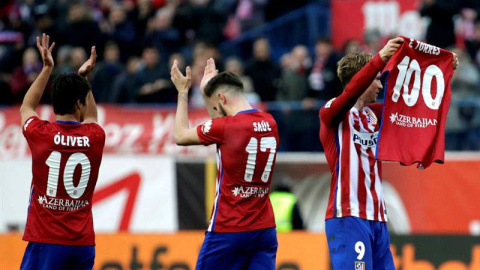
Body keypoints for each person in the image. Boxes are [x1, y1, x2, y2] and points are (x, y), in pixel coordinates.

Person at [319, 37, 458, 268]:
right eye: (376, 79)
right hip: (348, 215)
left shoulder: (373, 115)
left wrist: (442, 72)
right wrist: (381, 58)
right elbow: (352, 92)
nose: (381, 86)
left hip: (378, 217)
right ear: (361, 80)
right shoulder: (332, 113)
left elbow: (417, 103)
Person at [170, 58, 279, 269]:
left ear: (221, 97)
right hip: (264, 230)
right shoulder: (270, 122)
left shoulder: (227, 127)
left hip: (228, 228)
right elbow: (221, 124)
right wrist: (206, 93)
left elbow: (181, 136)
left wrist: (183, 93)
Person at [19, 34, 105, 270]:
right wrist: (83, 79)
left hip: (47, 242)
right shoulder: (95, 137)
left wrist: (47, 68)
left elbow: (27, 106)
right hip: (83, 245)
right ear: (80, 103)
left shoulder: (40, 134)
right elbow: (92, 117)